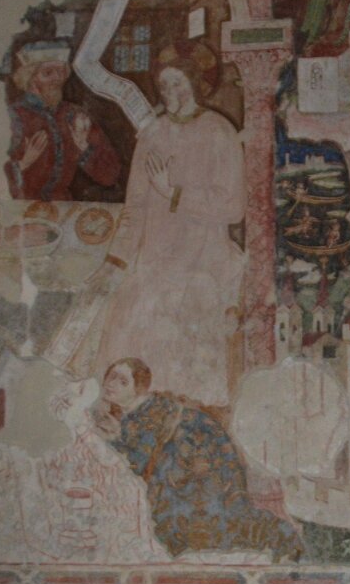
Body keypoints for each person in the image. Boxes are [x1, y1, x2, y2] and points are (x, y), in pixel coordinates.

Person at [93, 63, 248, 408]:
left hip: (202, 258)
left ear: (195, 81)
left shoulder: (219, 131)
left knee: (189, 353)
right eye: (163, 85)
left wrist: (173, 194)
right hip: (155, 257)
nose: (169, 92)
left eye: (177, 82)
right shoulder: (153, 134)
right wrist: (117, 259)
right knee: (133, 329)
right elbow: (134, 206)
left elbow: (233, 207)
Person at [97, 358, 303, 561]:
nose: (111, 384)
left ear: (139, 389)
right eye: (110, 377)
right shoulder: (137, 410)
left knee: (182, 523)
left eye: (122, 381)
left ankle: (282, 539)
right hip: (185, 464)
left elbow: (136, 462)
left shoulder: (147, 413)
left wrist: (111, 440)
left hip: (196, 469)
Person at [4, 42, 123, 201]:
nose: (57, 79)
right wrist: (22, 164)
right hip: (19, 208)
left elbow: (110, 176)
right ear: (30, 78)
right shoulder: (8, 117)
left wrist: (84, 148)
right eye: (48, 73)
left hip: (62, 207)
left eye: (60, 72)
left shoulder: (74, 116)